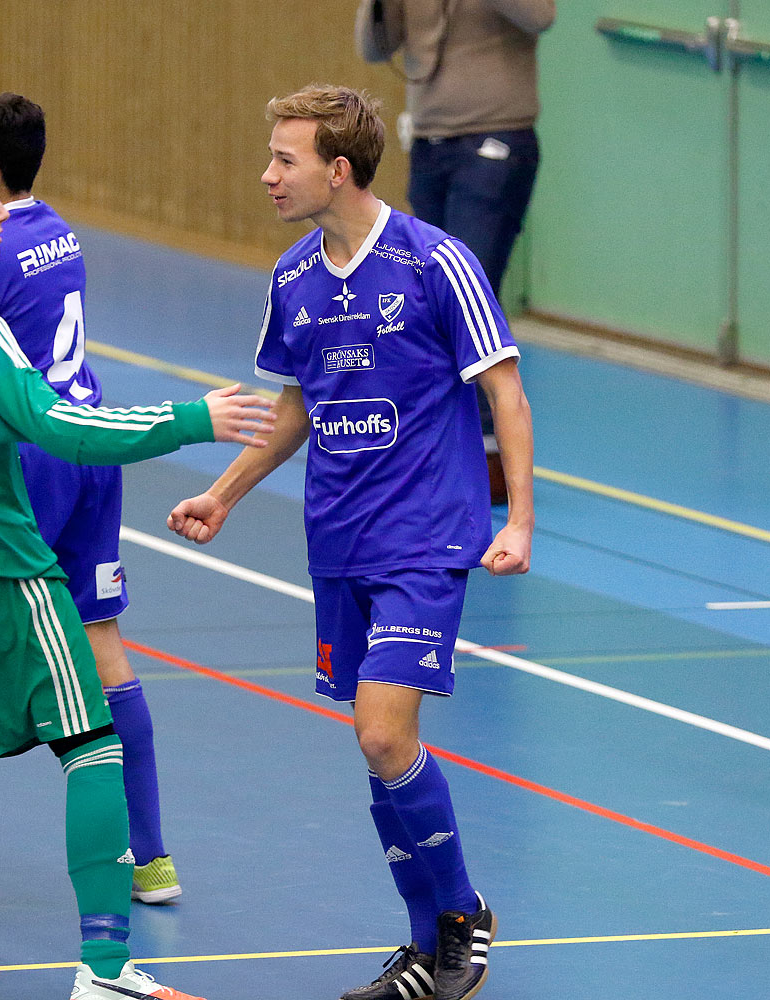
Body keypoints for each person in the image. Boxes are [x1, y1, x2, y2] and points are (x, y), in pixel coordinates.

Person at [0, 139, 270, 999]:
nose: (5, 212)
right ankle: (106, 969)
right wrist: (191, 419)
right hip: (2, 574)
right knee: (92, 748)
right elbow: (64, 429)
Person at [167, 85, 534, 1000]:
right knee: (374, 748)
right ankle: (427, 942)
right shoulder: (292, 277)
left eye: (283, 159)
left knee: (383, 732)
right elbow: (293, 411)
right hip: (336, 540)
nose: (267, 175)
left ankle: (459, 918)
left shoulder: (434, 263)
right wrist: (221, 494)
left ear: (338, 169)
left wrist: (518, 518)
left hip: (425, 536)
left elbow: (506, 394)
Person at [0, 93, 181, 905]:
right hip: (90, 443)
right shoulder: (58, 231)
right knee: (103, 640)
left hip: (33, 456)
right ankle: (150, 857)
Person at [355, 0, 554, 504]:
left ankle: (493, 456)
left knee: (472, 289)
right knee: (428, 297)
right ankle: (435, 445)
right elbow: (374, 47)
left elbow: (541, 16)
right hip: (429, 140)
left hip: (496, 136)